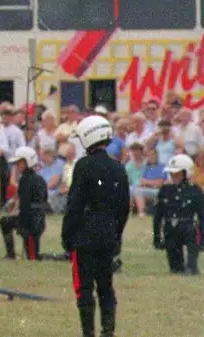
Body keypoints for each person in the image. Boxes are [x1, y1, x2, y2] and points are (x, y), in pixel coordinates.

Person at [61, 114, 129, 337]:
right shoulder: (119, 168)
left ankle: (88, 333)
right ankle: (108, 332)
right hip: (108, 235)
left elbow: (75, 205)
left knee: (84, 289)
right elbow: (123, 208)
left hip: (84, 236)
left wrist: (67, 236)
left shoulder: (83, 166)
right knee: (106, 287)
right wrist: (115, 235)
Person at [152, 154, 204, 275]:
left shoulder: (195, 191)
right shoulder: (165, 190)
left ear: (186, 173)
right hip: (170, 231)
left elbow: (203, 217)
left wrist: (202, 240)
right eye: (172, 174)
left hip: (189, 229)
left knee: (191, 271)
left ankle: (192, 265)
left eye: (177, 173)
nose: (174, 176)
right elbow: (158, 216)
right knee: (175, 270)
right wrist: (157, 237)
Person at [0, 146, 49, 261]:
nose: (16, 166)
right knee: (5, 221)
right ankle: (11, 255)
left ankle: (11, 255)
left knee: (33, 258)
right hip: (37, 222)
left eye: (19, 163)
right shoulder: (40, 179)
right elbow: (43, 202)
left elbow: (26, 206)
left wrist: (22, 225)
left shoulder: (25, 180)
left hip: (30, 226)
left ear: (27, 162)